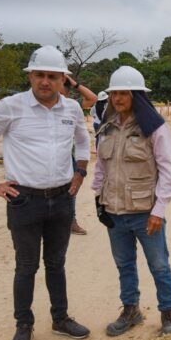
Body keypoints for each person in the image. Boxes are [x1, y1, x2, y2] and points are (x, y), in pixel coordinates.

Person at [0, 45, 91, 340]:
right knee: (26, 266)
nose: (45, 81)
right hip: (24, 200)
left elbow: (82, 139)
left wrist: (81, 170)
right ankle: (24, 325)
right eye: (39, 75)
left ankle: (60, 319)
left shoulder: (72, 109)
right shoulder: (11, 106)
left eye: (52, 76)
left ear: (63, 78)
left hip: (63, 198)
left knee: (56, 264)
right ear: (30, 76)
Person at [92, 66, 171, 337]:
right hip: (115, 212)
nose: (117, 98)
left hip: (145, 212)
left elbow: (167, 170)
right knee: (124, 265)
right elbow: (101, 168)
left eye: (123, 93)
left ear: (137, 96)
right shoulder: (106, 127)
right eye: (114, 93)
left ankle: (168, 313)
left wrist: (159, 210)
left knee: (159, 265)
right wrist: (98, 200)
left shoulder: (155, 128)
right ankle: (131, 311)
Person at [59, 76, 98, 236]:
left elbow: (93, 98)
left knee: (71, 189)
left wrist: (74, 83)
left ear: (68, 93)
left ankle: (70, 221)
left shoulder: (71, 107)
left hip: (70, 156)